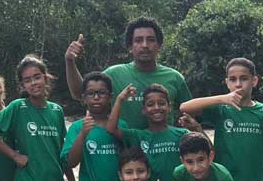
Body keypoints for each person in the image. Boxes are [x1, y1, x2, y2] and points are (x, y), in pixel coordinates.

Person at [180, 58, 263, 181]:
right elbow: (185, 107)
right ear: (227, 83)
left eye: (244, 78)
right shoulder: (221, 109)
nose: (238, 84)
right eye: (233, 79)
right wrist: (222, 99)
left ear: (254, 81)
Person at [64, 17, 192, 129]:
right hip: (122, 152)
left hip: (162, 153)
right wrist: (70, 61)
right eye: (138, 40)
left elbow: (191, 114)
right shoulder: (114, 74)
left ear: (159, 45)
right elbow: (79, 94)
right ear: (129, 47)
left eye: (151, 40)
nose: (145, 45)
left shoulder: (174, 78)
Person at [106, 83, 196, 181]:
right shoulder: (137, 136)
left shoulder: (182, 134)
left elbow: (207, 153)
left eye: (161, 103)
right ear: (143, 110)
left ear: (169, 107)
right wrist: (119, 99)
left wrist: (197, 128)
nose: (156, 108)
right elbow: (111, 129)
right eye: (150, 104)